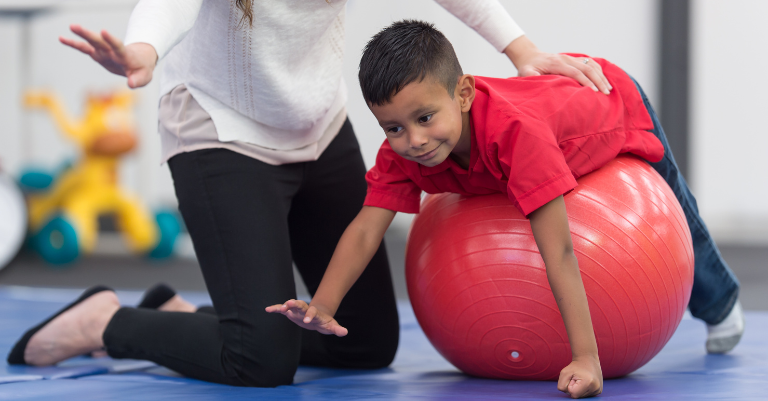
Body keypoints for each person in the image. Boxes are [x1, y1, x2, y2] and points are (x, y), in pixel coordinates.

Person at [7, 0, 615, 389]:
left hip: (318, 130)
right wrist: (141, 51)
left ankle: (193, 319)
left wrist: (523, 49)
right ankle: (108, 322)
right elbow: (169, 6)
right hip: (222, 135)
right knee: (259, 361)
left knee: (364, 342)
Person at [266, 20, 745, 399]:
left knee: (677, 203)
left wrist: (586, 359)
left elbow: (556, 250)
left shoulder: (516, 137)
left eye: (425, 118)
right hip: (548, 109)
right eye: (392, 128)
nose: (413, 141)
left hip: (610, 98)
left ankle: (719, 301)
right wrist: (321, 306)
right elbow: (366, 229)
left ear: (464, 94)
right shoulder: (404, 155)